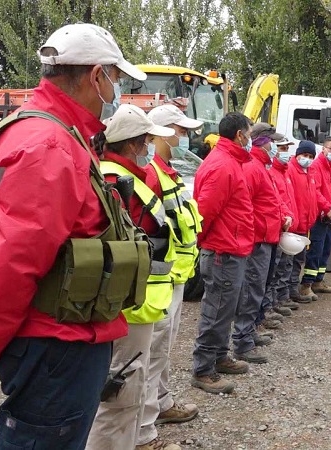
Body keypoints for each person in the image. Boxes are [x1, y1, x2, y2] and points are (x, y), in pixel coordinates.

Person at [0, 23, 148, 449]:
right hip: (56, 345)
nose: (117, 91)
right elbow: (14, 256)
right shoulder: (50, 145)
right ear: (96, 76)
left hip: (62, 341)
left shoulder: (59, 135)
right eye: (116, 79)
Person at [88, 104, 179, 450]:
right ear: (131, 144)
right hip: (126, 304)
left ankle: (134, 441)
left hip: (139, 299)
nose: (149, 150)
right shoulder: (114, 181)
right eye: (146, 142)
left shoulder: (129, 177)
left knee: (131, 385)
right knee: (120, 392)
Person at [139, 104, 205, 447]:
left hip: (175, 276)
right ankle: (145, 430)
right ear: (161, 133)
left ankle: (161, 403)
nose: (184, 136)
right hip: (160, 281)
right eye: (179, 130)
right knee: (151, 353)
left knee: (162, 350)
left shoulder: (167, 171)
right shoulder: (152, 173)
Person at [191, 112, 255, 394]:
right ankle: (203, 369)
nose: (251, 139)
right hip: (222, 250)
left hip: (230, 247)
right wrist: (208, 244)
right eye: (249, 133)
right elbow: (203, 213)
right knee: (216, 310)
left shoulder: (230, 162)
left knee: (224, 308)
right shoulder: (223, 166)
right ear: (239, 135)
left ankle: (218, 356)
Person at [230, 123, 294, 365]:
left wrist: (282, 217)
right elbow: (247, 207)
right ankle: (243, 342)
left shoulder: (262, 167)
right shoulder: (254, 168)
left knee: (258, 289)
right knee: (251, 291)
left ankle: (250, 331)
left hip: (267, 236)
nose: (276, 148)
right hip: (258, 239)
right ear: (262, 142)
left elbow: (272, 201)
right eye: (273, 142)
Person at [264, 137, 301, 319]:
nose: (286, 152)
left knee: (285, 265)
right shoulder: (271, 173)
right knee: (275, 268)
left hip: (288, 226)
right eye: (282, 148)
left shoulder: (285, 173)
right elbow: (274, 202)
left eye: (287, 148)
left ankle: (279, 299)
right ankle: (269, 306)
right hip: (278, 228)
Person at [300, 137, 331, 298]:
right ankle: (306, 284)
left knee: (325, 250)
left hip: (329, 216)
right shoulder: (317, 166)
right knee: (315, 251)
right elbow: (315, 192)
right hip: (319, 216)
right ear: (323, 149)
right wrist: (327, 207)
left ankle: (318, 280)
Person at [286, 141, 319, 303]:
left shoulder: (310, 173)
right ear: (297, 154)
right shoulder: (290, 170)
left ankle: (292, 290)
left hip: (305, 224)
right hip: (295, 224)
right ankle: (286, 293)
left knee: (298, 260)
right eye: (304, 155)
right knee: (288, 261)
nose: (307, 159)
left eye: (310, 156)